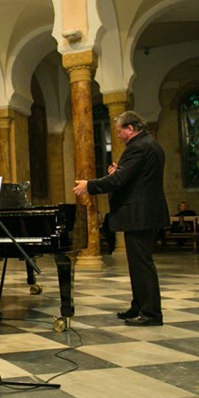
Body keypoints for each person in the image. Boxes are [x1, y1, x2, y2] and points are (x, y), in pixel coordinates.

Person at [73, 110, 169, 327]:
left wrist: (89, 185)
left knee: (142, 264)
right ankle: (139, 306)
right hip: (145, 212)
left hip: (140, 214)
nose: (117, 135)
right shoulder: (149, 144)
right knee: (138, 264)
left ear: (130, 129)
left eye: (119, 131)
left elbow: (119, 181)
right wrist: (119, 171)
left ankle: (151, 313)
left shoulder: (138, 148)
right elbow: (133, 177)